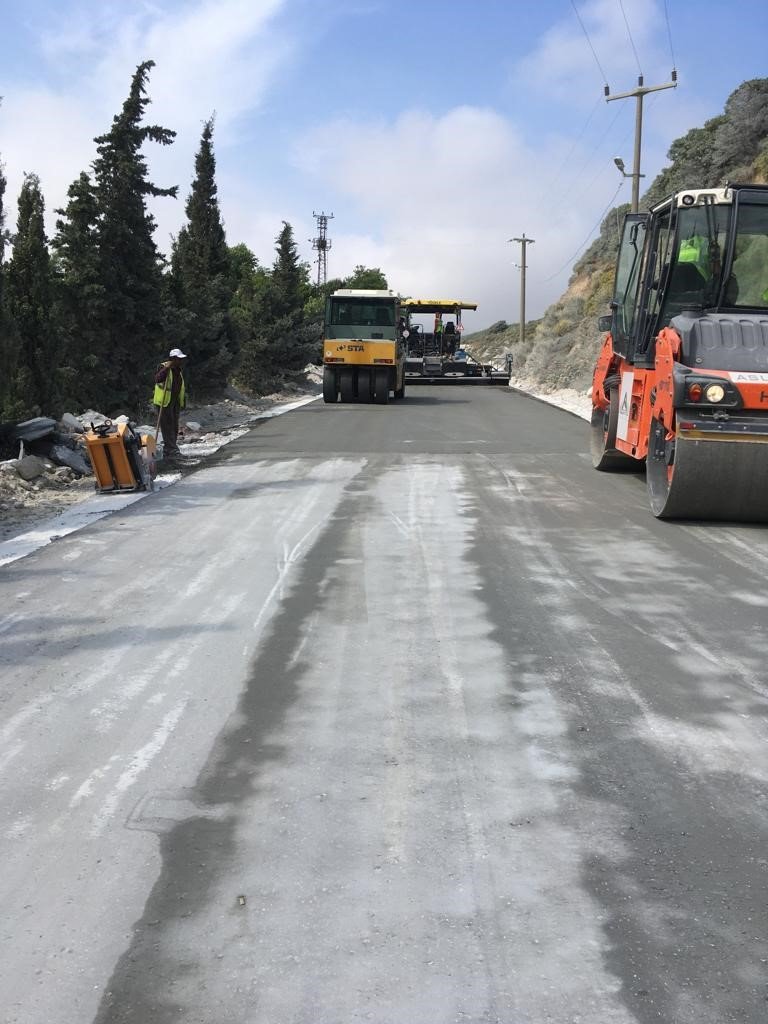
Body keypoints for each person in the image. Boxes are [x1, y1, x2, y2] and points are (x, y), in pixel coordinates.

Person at [154, 348, 187, 458]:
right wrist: (167, 368)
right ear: (173, 359)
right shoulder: (164, 367)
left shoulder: (178, 369)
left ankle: (170, 449)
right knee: (167, 426)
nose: (181, 361)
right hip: (163, 402)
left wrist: (182, 402)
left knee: (174, 426)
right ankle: (171, 449)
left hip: (174, 402)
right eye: (179, 359)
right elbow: (158, 379)